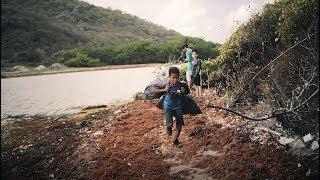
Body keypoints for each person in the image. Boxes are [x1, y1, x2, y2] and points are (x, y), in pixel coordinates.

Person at [150, 67, 189, 148]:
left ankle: (175, 140)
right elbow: (152, 90)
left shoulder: (182, 84)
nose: (175, 79)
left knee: (179, 125)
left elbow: (187, 92)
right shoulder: (166, 84)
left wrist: (183, 91)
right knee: (169, 125)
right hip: (168, 106)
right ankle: (169, 127)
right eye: (173, 78)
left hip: (178, 107)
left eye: (177, 78)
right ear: (169, 77)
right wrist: (164, 90)